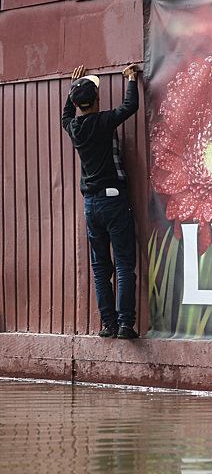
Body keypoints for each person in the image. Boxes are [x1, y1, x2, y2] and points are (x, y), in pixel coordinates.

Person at [62, 64, 140, 339]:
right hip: (113, 200)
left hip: (91, 205)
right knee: (123, 263)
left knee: (100, 267)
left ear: (75, 103)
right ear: (96, 100)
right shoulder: (104, 121)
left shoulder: (74, 128)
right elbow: (130, 106)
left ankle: (108, 324)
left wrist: (72, 89)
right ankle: (126, 324)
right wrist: (132, 79)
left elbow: (65, 116)